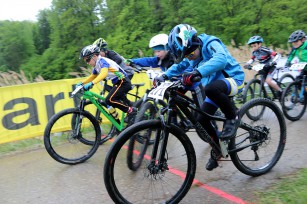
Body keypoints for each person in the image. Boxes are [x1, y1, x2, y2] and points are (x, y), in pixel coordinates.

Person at [154, 24, 245, 171]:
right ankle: (219, 149)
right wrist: (164, 75)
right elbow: (180, 66)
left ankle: (233, 116)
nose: (189, 58)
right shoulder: (191, 56)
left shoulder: (210, 43)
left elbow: (221, 59)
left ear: (194, 42)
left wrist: (197, 72)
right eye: (187, 56)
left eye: (190, 54)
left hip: (234, 79)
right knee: (201, 119)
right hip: (215, 88)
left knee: (210, 89)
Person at [78, 44, 137, 121]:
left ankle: (131, 111)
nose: (87, 63)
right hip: (118, 82)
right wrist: (82, 83)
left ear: (95, 56)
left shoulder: (102, 61)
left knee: (109, 99)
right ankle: (118, 123)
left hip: (123, 81)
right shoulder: (97, 64)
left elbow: (103, 73)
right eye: (85, 61)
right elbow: (93, 75)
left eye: (88, 60)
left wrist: (92, 83)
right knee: (109, 102)